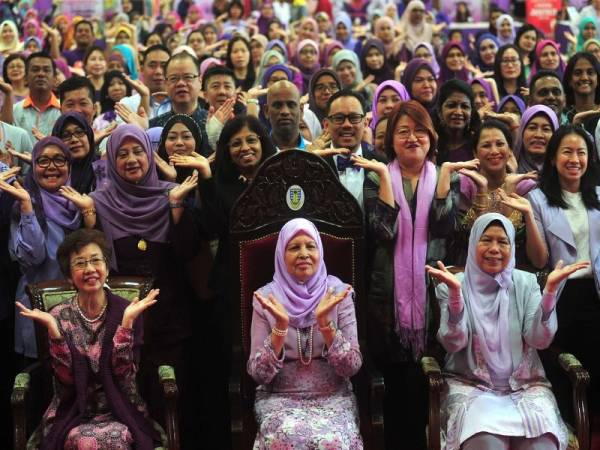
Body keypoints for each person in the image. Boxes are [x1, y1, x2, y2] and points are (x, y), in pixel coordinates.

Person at [353, 100, 457, 450]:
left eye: (420, 130)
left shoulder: (444, 175)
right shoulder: (374, 176)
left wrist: (443, 180)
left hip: (432, 301)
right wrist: (384, 177)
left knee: (427, 392)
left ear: (431, 136)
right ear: (391, 140)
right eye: (403, 131)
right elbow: (383, 231)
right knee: (395, 395)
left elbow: (443, 226)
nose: (412, 138)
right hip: (388, 302)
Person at [427, 213, 574, 450]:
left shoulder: (526, 283)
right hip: (472, 387)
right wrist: (456, 299)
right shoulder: (455, 284)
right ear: (474, 243)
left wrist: (549, 296)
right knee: (487, 445)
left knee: (542, 446)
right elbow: (453, 343)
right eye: (486, 240)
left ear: (512, 246)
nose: (494, 249)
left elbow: (539, 340)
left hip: (525, 388)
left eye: (502, 242)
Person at [16, 228, 161, 449]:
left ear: (106, 267)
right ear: (68, 275)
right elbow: (65, 382)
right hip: (74, 411)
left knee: (116, 437)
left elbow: (125, 377)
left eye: (96, 260)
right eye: (80, 263)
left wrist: (127, 324)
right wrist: (54, 331)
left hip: (120, 410)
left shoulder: (127, 310)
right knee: (84, 441)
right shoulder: (57, 315)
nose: (90, 269)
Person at [248, 218, 363, 448]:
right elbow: (258, 374)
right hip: (279, 399)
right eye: (294, 247)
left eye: (310, 246)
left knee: (333, 442)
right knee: (286, 439)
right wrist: (280, 327)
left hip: (333, 397)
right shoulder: (265, 299)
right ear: (281, 254)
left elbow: (352, 367)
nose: (303, 254)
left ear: (320, 251)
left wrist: (325, 324)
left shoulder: (339, 295)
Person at [528, 124, 600, 418]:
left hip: (595, 294)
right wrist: (527, 217)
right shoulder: (538, 199)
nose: (575, 159)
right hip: (560, 295)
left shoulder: (597, 195)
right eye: (567, 152)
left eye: (581, 152)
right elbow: (538, 259)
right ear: (553, 158)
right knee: (564, 374)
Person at [1, 137, 81, 364]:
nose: (51, 166)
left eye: (59, 159)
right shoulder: (22, 205)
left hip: (79, 310)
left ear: (69, 165)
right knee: (41, 382)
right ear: (33, 166)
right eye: (43, 161)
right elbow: (33, 258)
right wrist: (28, 210)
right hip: (38, 308)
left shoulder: (78, 202)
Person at [149, 52, 211, 156]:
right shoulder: (154, 126)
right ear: (165, 84)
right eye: (174, 78)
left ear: (200, 81)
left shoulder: (212, 124)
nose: (181, 83)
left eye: (188, 77)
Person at [11, 52, 61, 142]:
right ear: (25, 78)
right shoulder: (15, 111)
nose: (41, 74)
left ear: (55, 79)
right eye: (35, 70)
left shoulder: (64, 109)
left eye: (46, 70)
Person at [434, 79, 481, 164]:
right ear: (439, 110)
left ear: (472, 112)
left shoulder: (478, 144)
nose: (458, 112)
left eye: (464, 106)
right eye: (451, 105)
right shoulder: (431, 144)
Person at [120, 45, 171, 121]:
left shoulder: (181, 103)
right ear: (142, 69)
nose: (158, 72)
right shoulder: (127, 104)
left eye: (164, 66)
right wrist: (144, 97)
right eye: (152, 66)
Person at [51, 112, 99, 194]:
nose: (74, 139)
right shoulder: (50, 172)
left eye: (79, 132)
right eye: (66, 135)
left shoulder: (104, 169)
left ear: (89, 136)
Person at [514, 105, 559, 173]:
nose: (538, 135)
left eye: (546, 129)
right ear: (522, 132)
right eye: (532, 128)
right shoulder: (506, 169)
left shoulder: (563, 174)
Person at [265, 80, 308, 151]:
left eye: (291, 105)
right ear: (266, 111)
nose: (285, 111)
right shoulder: (258, 155)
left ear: (301, 110)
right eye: (277, 106)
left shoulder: (314, 154)